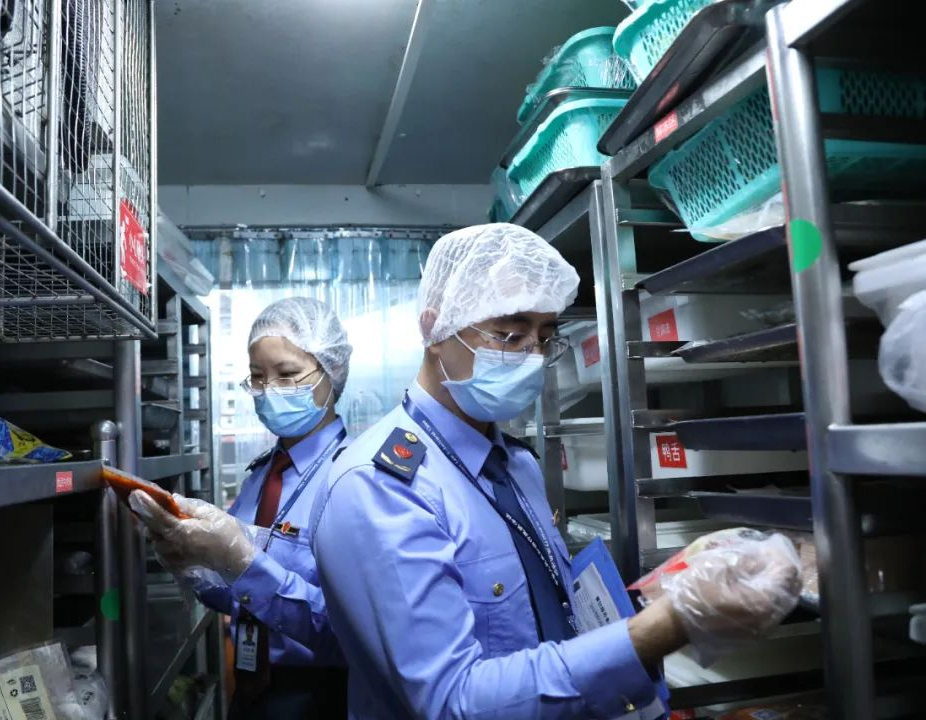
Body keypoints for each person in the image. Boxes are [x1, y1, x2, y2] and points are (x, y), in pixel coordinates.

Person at [310, 224, 802, 719]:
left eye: (545, 338)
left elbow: (549, 613)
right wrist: (669, 625)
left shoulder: (516, 464)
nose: (533, 358)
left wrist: (674, 588)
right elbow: (453, 702)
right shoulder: (380, 487)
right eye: (509, 334)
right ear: (435, 329)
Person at [132, 296, 352, 719]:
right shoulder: (262, 477)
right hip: (252, 690)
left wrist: (243, 564)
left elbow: (351, 630)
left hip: (321, 694)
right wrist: (195, 563)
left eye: (287, 374)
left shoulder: (353, 479)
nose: (269, 390)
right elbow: (241, 598)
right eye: (257, 377)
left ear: (333, 369)